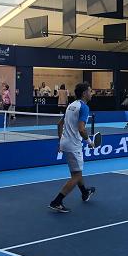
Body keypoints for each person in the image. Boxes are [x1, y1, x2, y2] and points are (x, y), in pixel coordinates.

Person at [49, 82, 96, 213]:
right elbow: (81, 129)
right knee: (76, 175)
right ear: (84, 93)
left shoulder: (71, 105)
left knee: (76, 172)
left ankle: (84, 192)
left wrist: (60, 142)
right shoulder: (84, 107)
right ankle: (57, 201)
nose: (91, 93)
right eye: (90, 91)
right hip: (74, 145)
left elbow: (59, 124)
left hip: (65, 143)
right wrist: (89, 142)